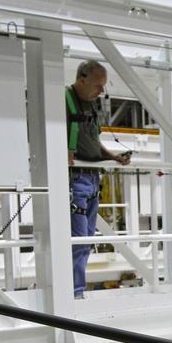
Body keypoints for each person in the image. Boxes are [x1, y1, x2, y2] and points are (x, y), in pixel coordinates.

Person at [66, 60, 132, 298]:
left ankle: (77, 291)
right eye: (97, 85)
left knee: (87, 240)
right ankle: (75, 293)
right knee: (79, 240)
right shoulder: (64, 101)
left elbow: (94, 143)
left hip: (93, 179)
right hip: (75, 181)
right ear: (81, 79)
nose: (101, 91)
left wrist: (113, 157)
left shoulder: (91, 107)